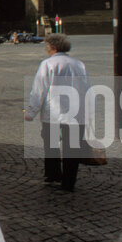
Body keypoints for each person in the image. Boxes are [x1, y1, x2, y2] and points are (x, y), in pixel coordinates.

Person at [24, 33, 90, 192]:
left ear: (52, 47)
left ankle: (53, 175)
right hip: (75, 113)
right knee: (72, 148)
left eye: (47, 46)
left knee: (51, 145)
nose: (46, 49)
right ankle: (69, 182)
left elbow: (39, 90)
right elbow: (86, 89)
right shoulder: (79, 64)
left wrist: (31, 112)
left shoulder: (47, 64)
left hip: (53, 112)